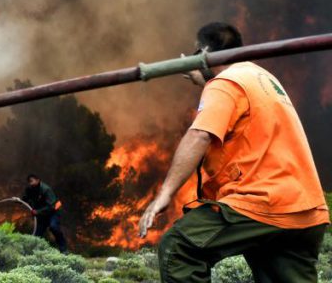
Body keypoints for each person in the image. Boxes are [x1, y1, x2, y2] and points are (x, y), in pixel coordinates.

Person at [139, 22, 329, 283]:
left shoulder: (225, 82)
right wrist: (205, 79)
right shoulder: (261, 78)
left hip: (263, 202)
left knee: (179, 248)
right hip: (305, 211)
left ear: (204, 51)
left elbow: (200, 134)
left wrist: (165, 194)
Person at [22, 174, 67, 252]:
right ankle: (32, 253)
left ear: (38, 180)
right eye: (29, 182)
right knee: (37, 235)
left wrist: (38, 211)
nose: (30, 183)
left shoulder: (46, 189)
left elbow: (52, 206)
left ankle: (63, 249)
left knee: (54, 227)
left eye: (32, 181)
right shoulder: (30, 190)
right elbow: (26, 199)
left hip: (53, 213)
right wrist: (19, 200)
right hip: (42, 215)